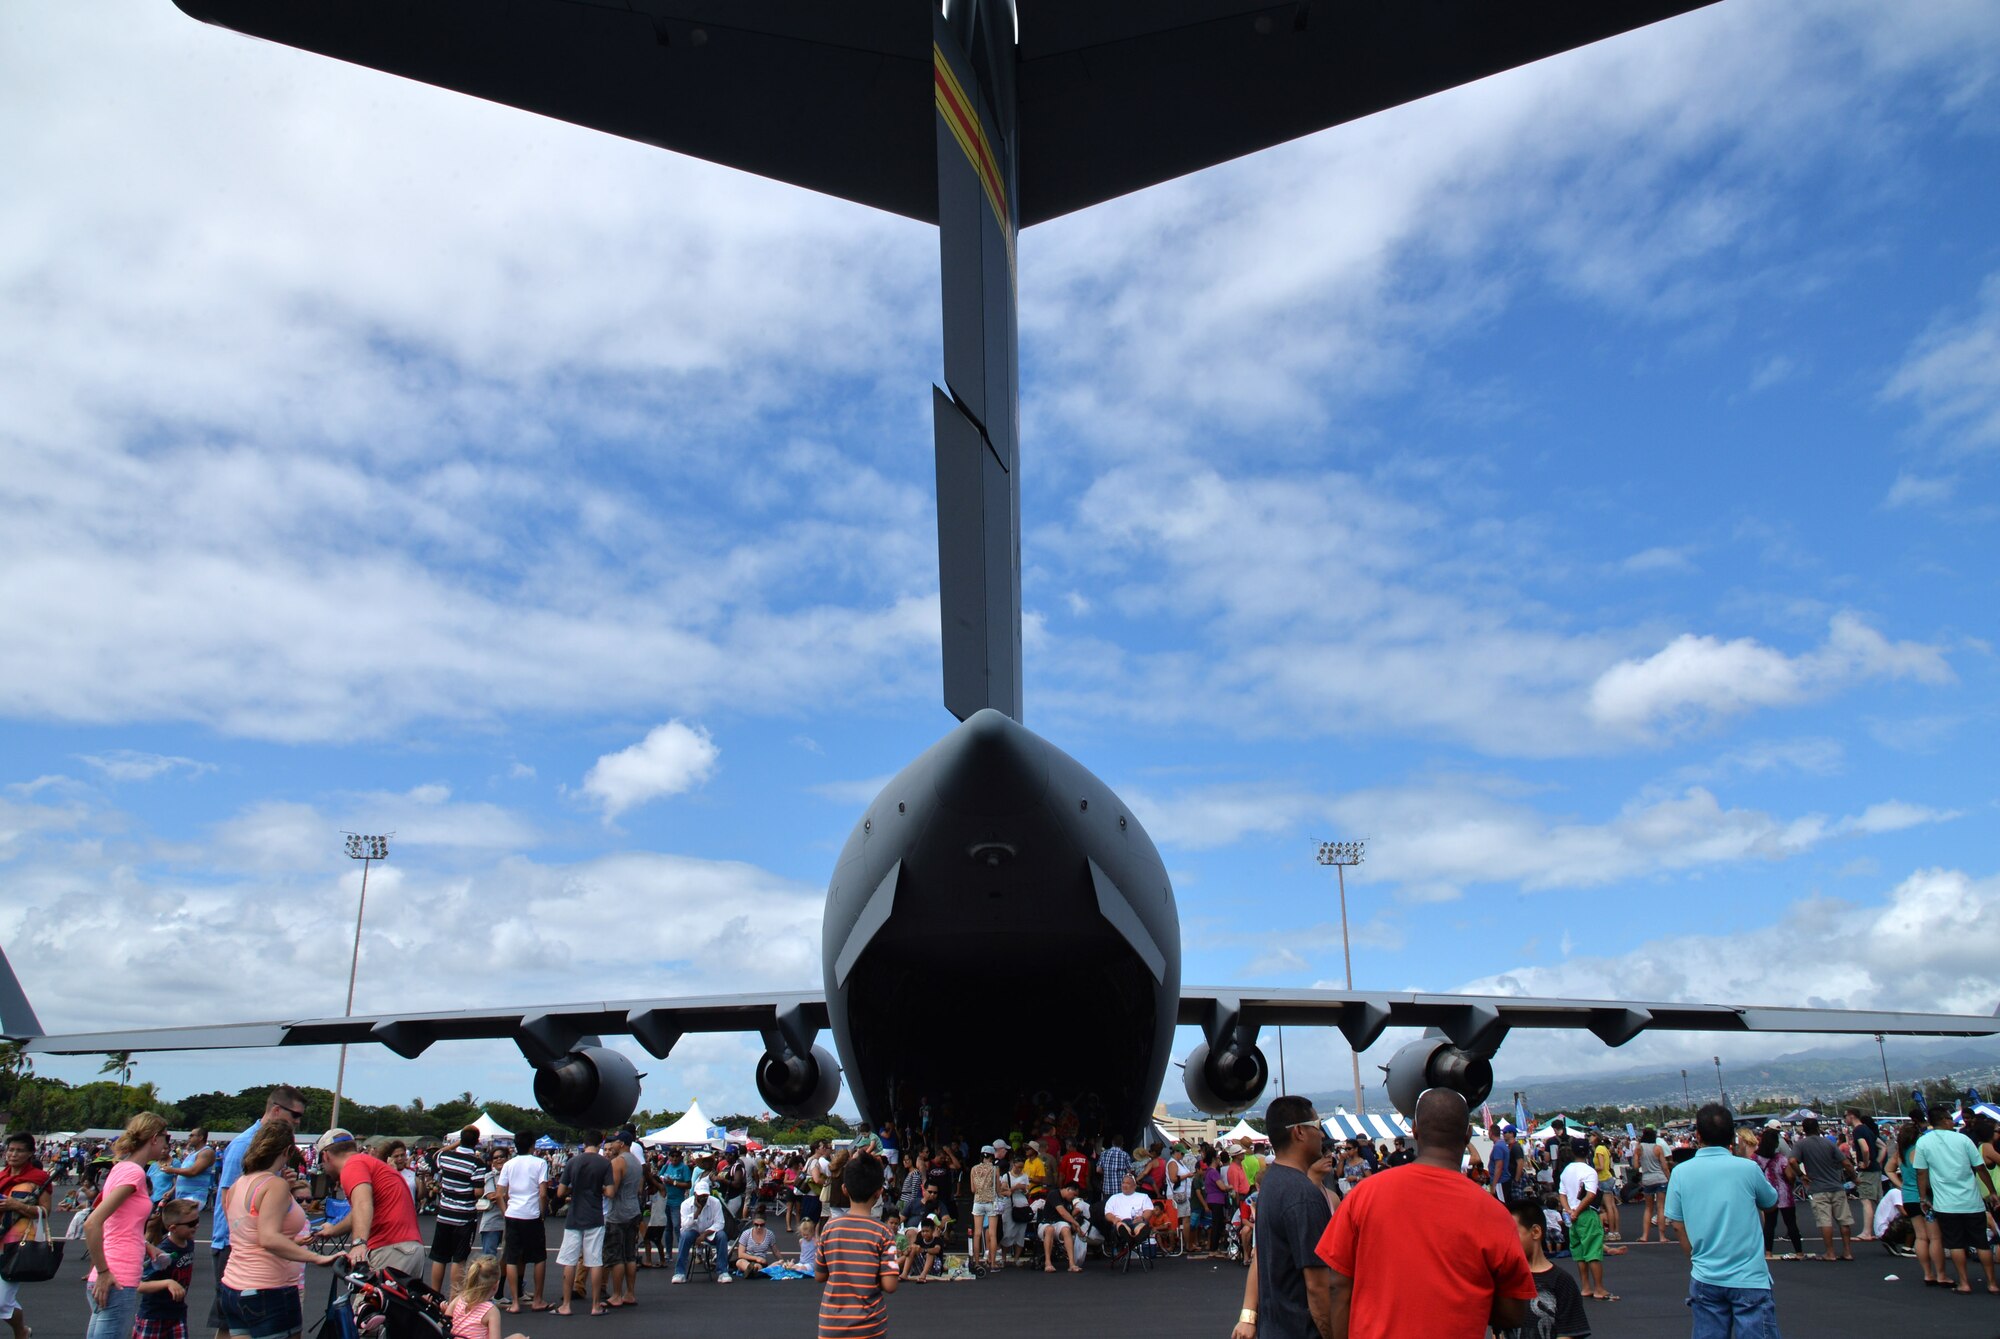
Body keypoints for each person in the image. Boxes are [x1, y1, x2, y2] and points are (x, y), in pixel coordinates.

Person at [1315, 1089, 1533, 1339]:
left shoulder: (1363, 1195)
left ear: (1415, 1130)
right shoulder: (1495, 1214)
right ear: (1468, 1134)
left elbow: (1337, 1286)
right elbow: (1514, 1311)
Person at [1664, 1103, 1779, 1339]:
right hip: (1749, 1276)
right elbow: (1770, 1201)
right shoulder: (1748, 1168)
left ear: (1697, 1135)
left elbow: (1676, 1223)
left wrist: (1694, 1260)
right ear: (1732, 1136)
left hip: (1706, 1274)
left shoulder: (1681, 1172)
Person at [219, 1121, 339, 1339]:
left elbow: (250, 1232)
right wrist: (316, 1258)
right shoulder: (275, 1185)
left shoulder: (239, 1183)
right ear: (286, 1151)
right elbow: (268, 1238)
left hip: (234, 1286)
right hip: (268, 1288)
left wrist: (292, 1241)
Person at [208, 1086, 307, 1339]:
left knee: (234, 1325)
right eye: (294, 1115)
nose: (297, 1122)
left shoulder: (268, 1146)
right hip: (239, 1245)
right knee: (230, 1325)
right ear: (276, 1110)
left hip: (251, 1244)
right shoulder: (245, 1143)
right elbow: (227, 1198)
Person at [85, 1113, 173, 1339]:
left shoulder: (121, 1168)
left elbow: (119, 1224)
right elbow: (93, 1222)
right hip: (118, 1276)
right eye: (165, 1138)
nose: (166, 1144)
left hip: (111, 1272)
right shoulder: (134, 1173)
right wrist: (104, 1271)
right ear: (154, 1138)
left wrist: (145, 1245)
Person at [1909, 1102, 1998, 1294]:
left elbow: (1921, 1173)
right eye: (1950, 1118)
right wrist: (1991, 1192)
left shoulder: (1923, 1142)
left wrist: (1923, 1197)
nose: (1952, 1121)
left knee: (1956, 1243)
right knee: (1981, 1242)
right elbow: (1980, 1167)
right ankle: (1992, 1282)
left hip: (1946, 1203)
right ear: (1944, 1120)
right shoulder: (1963, 1140)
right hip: (1971, 1201)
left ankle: (1964, 1282)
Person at [314, 1130, 424, 1278]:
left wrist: (359, 1243)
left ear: (325, 1156)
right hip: (408, 1248)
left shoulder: (352, 1165)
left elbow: (362, 1203)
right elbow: (360, 1212)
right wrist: (333, 1230)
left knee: (366, 1300)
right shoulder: (368, 1163)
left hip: (390, 1248)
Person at [815, 1153, 896, 1339]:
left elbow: (819, 1275)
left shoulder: (829, 1228)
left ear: (844, 1189)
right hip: (869, 1326)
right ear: (879, 1192)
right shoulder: (884, 1233)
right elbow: (890, 1285)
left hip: (831, 1324)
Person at [0, 1131, 53, 1339]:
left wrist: (16, 1205)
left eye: (19, 1150)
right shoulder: (2, 1177)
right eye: (11, 1149)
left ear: (30, 1153)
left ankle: (21, 1331)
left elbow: (45, 1212)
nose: (13, 1154)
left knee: (3, 1301)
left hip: (17, 1243)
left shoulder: (39, 1179)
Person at [554, 1133, 611, 1315]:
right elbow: (610, 1192)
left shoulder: (572, 1162)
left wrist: (574, 1188)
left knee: (569, 1261)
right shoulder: (604, 1163)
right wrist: (597, 1188)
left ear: (584, 1143)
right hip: (595, 1215)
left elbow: (560, 1192)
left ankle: (566, 1305)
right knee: (594, 1261)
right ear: (600, 1143)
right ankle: (595, 1305)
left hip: (574, 1216)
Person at [493, 1136, 550, 1313]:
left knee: (511, 1257)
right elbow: (542, 1193)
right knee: (539, 1257)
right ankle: (538, 1300)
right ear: (533, 1145)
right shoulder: (540, 1163)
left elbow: (500, 1193)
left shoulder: (509, 1164)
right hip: (532, 1215)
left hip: (513, 1214)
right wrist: (542, 1212)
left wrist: (506, 1211)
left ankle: (515, 1302)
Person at [430, 1129, 486, 1299]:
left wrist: (455, 1144)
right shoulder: (477, 1164)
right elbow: (478, 1192)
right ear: (476, 1142)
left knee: (439, 1258)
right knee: (458, 1259)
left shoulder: (446, 1158)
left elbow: (437, 1154)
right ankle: (454, 1298)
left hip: (445, 1213)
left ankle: (434, 1294)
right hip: (464, 1216)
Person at [137, 1196, 201, 1339]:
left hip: (177, 1313)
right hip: (154, 1315)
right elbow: (139, 1285)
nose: (196, 1226)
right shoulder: (162, 1253)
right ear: (173, 1228)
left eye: (197, 1221)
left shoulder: (188, 1242)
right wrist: (167, 1283)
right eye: (192, 1223)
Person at [1790, 1117, 1853, 1262]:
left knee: (1825, 1221)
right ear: (1818, 1128)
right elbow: (1846, 1163)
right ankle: (1847, 1251)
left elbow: (1792, 1161)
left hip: (1818, 1187)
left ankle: (1830, 1252)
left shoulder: (1801, 1145)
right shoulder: (1829, 1143)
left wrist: (1801, 1175)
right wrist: (1854, 1177)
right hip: (1836, 1185)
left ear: (1804, 1130)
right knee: (1843, 1220)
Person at [1556, 1146, 1612, 1302]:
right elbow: (1591, 1194)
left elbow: (1562, 1194)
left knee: (1579, 1252)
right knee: (1593, 1251)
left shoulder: (1567, 1170)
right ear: (1588, 1153)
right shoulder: (1589, 1171)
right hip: (1586, 1213)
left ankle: (1586, 1286)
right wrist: (1578, 1211)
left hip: (1572, 1213)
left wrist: (1569, 1210)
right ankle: (1599, 1288)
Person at [600, 1130, 645, 1309]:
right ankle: (630, 1293)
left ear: (623, 1143)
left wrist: (600, 1188)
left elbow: (612, 1190)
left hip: (618, 1214)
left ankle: (617, 1294)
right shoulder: (636, 1161)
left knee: (616, 1257)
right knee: (630, 1255)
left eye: (616, 1142)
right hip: (633, 1210)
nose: (613, 1145)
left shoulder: (618, 1162)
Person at [445, 1255, 529, 1339]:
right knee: (519, 1337)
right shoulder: (491, 1311)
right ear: (496, 1285)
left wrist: (444, 1310)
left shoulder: (458, 1299)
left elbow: (446, 1322)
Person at [1751, 1127, 1802, 1260]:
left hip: (1767, 1194)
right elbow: (1790, 1176)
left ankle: (1768, 1252)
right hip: (1784, 1194)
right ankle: (1799, 1252)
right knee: (1791, 1223)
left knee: (1769, 1224)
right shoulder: (1780, 1158)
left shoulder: (1755, 1158)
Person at [672, 1179, 731, 1283]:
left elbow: (720, 1223)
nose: (704, 1198)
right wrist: (697, 1212)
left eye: (705, 1195)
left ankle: (723, 1272)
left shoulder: (715, 1202)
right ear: (695, 1194)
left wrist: (704, 1234)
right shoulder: (686, 1204)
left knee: (722, 1236)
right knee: (685, 1236)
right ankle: (679, 1273)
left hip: (710, 1232)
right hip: (693, 1231)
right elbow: (684, 1225)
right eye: (701, 1196)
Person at [1630, 1128, 1670, 1243]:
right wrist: (1670, 1179)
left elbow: (1636, 1166)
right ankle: (1662, 1237)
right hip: (1660, 1178)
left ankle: (1645, 1236)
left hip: (1647, 1179)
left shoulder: (1639, 1148)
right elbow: (1665, 1167)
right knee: (1661, 1207)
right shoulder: (1658, 1148)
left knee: (1648, 1208)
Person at [967, 1142, 1002, 1270]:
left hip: (978, 1202)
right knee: (992, 1234)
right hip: (991, 1202)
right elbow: (998, 1189)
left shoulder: (974, 1169)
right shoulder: (995, 1169)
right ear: (992, 1157)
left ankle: (977, 1262)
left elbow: (972, 1189)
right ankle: (992, 1263)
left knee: (977, 1233)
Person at [1036, 1185, 1087, 1273]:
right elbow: (1063, 1213)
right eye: (1073, 1194)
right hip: (1046, 1223)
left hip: (1059, 1223)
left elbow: (1069, 1218)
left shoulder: (1069, 1202)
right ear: (1068, 1189)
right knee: (1050, 1229)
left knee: (1066, 1230)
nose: (1074, 1197)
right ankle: (1048, 1262)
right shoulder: (1054, 1194)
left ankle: (1072, 1263)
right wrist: (1076, 1223)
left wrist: (1077, 1229)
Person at [1102, 1173, 1155, 1255]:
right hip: (1121, 1221)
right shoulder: (1114, 1198)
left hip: (1137, 1221)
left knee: (1141, 1226)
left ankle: (1136, 1236)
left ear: (1134, 1186)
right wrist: (1114, 1219)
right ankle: (1130, 1237)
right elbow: (1108, 1213)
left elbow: (1149, 1210)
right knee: (1121, 1225)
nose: (1124, 1185)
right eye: (1123, 1183)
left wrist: (1142, 1217)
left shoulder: (1143, 1196)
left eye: (1128, 1183)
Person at [900, 1215, 944, 1280]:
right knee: (912, 1249)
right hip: (922, 1265)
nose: (924, 1233)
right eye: (923, 1231)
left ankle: (923, 1274)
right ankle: (904, 1273)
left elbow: (936, 1250)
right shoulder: (920, 1238)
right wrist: (908, 1250)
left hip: (935, 1267)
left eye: (927, 1231)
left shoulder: (937, 1240)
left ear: (932, 1231)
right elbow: (913, 1246)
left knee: (930, 1254)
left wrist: (923, 1250)